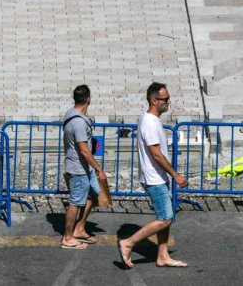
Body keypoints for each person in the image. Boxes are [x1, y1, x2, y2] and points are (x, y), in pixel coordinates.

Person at [116, 82, 188, 269]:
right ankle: (128, 243)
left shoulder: (152, 119)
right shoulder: (149, 121)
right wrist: (175, 175)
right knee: (165, 218)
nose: (168, 102)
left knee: (165, 217)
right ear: (154, 101)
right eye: (165, 99)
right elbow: (156, 154)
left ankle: (163, 255)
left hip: (158, 176)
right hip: (154, 178)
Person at [61, 85, 107, 249]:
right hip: (78, 168)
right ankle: (67, 238)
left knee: (93, 193)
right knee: (75, 202)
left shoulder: (71, 113)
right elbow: (84, 150)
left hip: (83, 167)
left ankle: (79, 228)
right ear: (88, 99)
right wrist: (99, 169)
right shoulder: (79, 122)